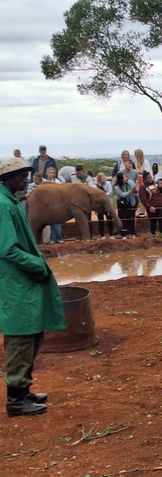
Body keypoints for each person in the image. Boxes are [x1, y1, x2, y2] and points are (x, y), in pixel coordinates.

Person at [0, 157, 65, 416]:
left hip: (22, 281)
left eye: (27, 173)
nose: (25, 179)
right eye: (20, 175)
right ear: (7, 178)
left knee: (31, 335)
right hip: (15, 282)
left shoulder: (11, 201)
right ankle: (15, 399)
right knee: (20, 337)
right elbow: (7, 249)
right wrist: (36, 264)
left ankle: (23, 390)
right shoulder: (3, 206)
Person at [139, 171, 162, 235]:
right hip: (152, 207)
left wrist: (161, 186)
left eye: (151, 178)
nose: (150, 179)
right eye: (148, 178)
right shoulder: (143, 187)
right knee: (153, 222)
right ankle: (153, 235)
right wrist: (149, 207)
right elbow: (143, 199)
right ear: (145, 179)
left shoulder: (156, 184)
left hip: (160, 205)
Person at [41, 168, 63, 243]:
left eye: (53, 173)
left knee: (57, 221)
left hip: (57, 204)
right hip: (46, 205)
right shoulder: (43, 182)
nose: (51, 174)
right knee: (49, 222)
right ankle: (51, 238)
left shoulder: (58, 182)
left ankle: (58, 237)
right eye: (50, 172)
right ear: (47, 173)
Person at [114, 171, 138, 239]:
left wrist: (135, 188)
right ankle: (124, 234)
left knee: (131, 218)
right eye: (124, 177)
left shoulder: (130, 182)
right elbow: (123, 195)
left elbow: (137, 190)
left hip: (131, 202)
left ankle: (132, 232)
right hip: (122, 205)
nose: (125, 178)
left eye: (125, 177)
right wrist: (131, 190)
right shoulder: (117, 187)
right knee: (123, 218)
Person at [94, 173, 114, 239]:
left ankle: (111, 234)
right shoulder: (95, 187)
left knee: (109, 219)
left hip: (107, 204)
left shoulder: (108, 184)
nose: (104, 180)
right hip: (100, 206)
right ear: (99, 180)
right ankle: (102, 235)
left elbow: (110, 193)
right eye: (102, 179)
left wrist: (103, 196)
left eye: (105, 178)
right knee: (100, 220)